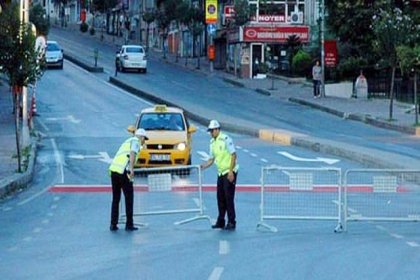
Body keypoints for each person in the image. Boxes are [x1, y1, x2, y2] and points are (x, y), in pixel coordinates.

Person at [200, 120, 239, 231]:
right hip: (221, 172)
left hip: (229, 171)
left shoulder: (226, 139)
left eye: (212, 131)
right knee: (220, 197)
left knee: (228, 197)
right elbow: (211, 159)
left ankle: (232, 221)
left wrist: (231, 171)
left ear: (217, 129)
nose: (211, 133)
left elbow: (233, 155)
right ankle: (221, 221)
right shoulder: (212, 142)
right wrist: (202, 166)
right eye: (210, 131)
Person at [109, 128, 148, 231]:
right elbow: (132, 153)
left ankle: (113, 224)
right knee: (129, 198)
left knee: (116, 199)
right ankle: (129, 224)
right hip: (124, 172)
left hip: (114, 171)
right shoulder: (136, 142)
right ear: (142, 137)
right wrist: (131, 169)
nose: (144, 141)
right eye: (145, 138)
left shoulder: (127, 141)